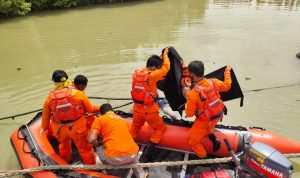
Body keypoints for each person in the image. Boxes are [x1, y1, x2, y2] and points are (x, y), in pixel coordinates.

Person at [40, 70, 100, 164]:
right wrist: (100, 108)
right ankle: (91, 166)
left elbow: (45, 115)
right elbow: (90, 109)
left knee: (64, 147)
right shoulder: (78, 94)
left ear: (54, 82)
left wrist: (43, 128)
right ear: (67, 79)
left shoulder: (50, 98)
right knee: (85, 149)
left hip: (60, 129)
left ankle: (65, 163)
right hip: (78, 128)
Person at [184, 61, 232, 159]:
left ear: (191, 74)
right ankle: (212, 136)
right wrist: (227, 72)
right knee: (208, 127)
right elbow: (227, 86)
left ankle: (204, 159)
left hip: (205, 120)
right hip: (218, 115)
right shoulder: (214, 82)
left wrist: (187, 97)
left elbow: (189, 114)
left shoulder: (192, 94)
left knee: (192, 140)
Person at [130, 48, 170, 160]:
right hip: (149, 111)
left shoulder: (136, 73)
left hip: (137, 110)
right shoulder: (151, 76)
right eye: (156, 68)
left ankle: (127, 144)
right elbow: (166, 68)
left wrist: (160, 58)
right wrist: (165, 55)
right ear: (153, 68)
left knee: (135, 127)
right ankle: (150, 150)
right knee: (160, 129)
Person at [88, 103, 148, 178]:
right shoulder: (122, 119)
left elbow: (91, 139)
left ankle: (109, 171)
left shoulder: (100, 119)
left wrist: (98, 144)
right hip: (132, 155)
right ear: (112, 110)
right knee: (131, 149)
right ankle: (141, 175)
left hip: (115, 159)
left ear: (101, 113)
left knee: (99, 148)